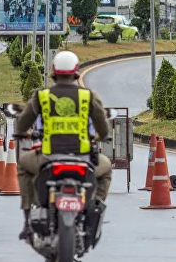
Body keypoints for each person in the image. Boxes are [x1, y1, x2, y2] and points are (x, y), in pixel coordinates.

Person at [13, 50, 113, 240]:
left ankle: (28, 218)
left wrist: (22, 133)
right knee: (106, 168)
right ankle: (95, 207)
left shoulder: (42, 96)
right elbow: (103, 126)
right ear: (76, 72)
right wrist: (100, 136)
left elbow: (22, 123)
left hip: (48, 157)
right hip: (83, 158)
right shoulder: (88, 96)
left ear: (54, 72)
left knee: (24, 166)